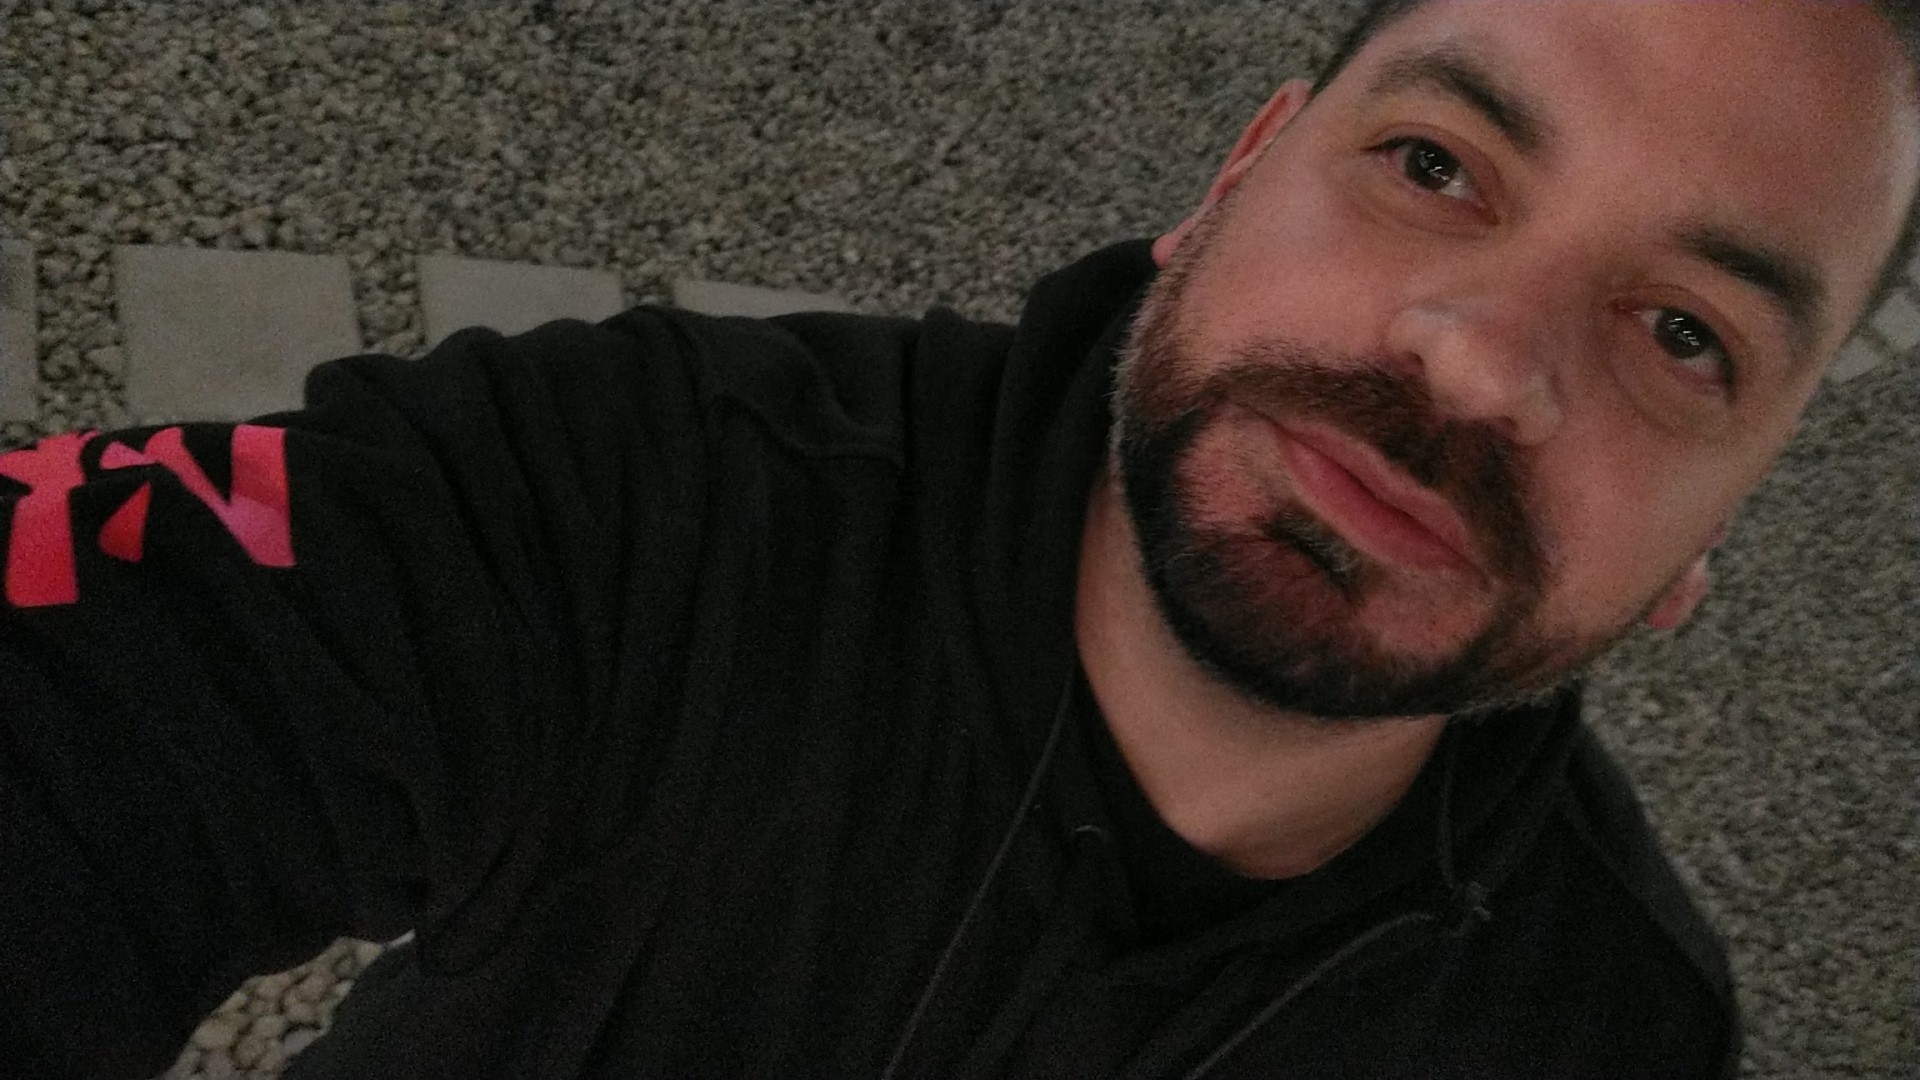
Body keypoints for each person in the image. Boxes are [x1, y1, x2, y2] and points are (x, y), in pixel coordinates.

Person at [3, 1, 1914, 1077]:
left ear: (1710, 537)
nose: (1484, 358)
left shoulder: (1599, 1036)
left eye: (1687, 336)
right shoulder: (642, 503)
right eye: (1434, 165)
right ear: (1228, 185)